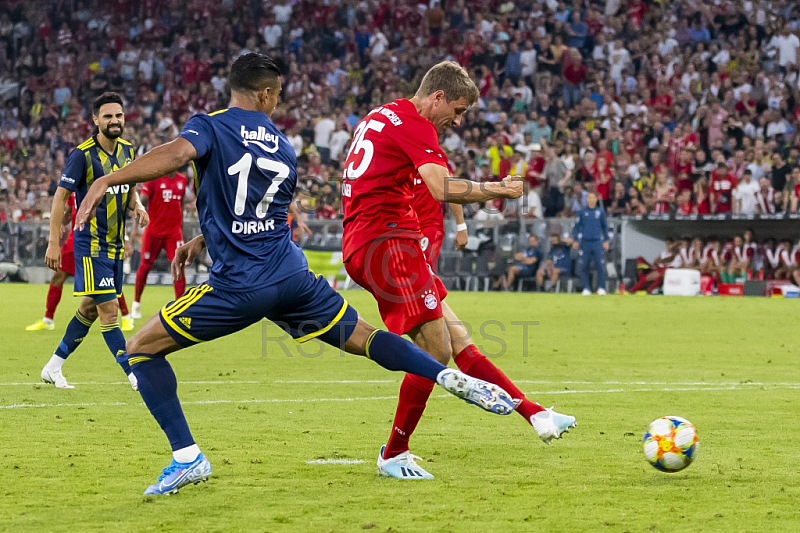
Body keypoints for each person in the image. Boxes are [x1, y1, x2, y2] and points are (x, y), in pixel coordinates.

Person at [75, 54, 515, 495]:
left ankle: (187, 458)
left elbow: (175, 155)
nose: (279, 100)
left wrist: (107, 180)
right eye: (279, 93)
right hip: (293, 280)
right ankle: (443, 375)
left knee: (140, 349)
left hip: (240, 287)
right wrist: (204, 239)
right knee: (365, 338)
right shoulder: (282, 145)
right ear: (266, 94)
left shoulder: (210, 125)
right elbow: (268, 212)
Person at [342, 60, 575, 480]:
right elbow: (442, 187)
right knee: (436, 351)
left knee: (458, 339)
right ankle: (394, 452)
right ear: (438, 97)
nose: (458, 120)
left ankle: (534, 413)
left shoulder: (382, 114)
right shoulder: (417, 126)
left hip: (374, 239)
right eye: (459, 109)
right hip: (388, 243)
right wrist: (498, 190)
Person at [40, 92, 148, 390]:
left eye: (119, 115)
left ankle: (53, 367)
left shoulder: (128, 150)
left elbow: (130, 186)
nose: (115, 121)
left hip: (114, 245)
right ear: (95, 120)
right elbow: (60, 198)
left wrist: (136, 205)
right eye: (108, 116)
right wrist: (53, 242)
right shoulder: (82, 155)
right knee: (109, 310)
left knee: (89, 308)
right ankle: (135, 374)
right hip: (90, 245)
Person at [26, 193, 135, 332]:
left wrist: (124, 239)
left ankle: (126, 317)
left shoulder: (102, 184)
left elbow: (116, 213)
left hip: (97, 241)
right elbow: (69, 212)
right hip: (75, 241)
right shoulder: (75, 187)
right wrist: (59, 224)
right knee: (58, 276)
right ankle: (48, 320)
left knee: (108, 282)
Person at [131, 171, 193, 319]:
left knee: (179, 266)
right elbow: (140, 204)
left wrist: (181, 229)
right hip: (153, 231)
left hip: (173, 232)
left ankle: (180, 306)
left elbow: (181, 205)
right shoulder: (153, 180)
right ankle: (136, 303)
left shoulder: (182, 181)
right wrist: (135, 228)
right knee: (145, 266)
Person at [572, 191, 609, 295]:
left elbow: (605, 227)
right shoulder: (582, 212)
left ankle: (601, 287)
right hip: (585, 242)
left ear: (596, 199)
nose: (591, 199)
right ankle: (586, 288)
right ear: (587, 199)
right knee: (584, 266)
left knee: (600, 265)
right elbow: (576, 227)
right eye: (589, 197)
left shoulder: (600, 212)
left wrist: (606, 240)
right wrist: (575, 239)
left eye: (593, 197)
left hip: (597, 242)